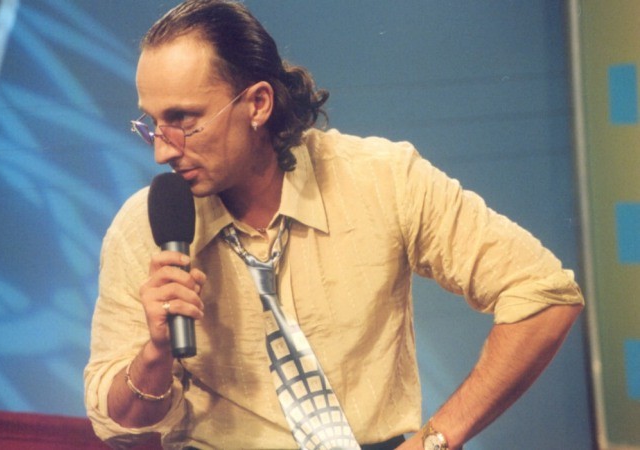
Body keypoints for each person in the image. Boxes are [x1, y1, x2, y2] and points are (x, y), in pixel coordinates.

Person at [84, 1, 584, 449]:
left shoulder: (383, 179)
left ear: (257, 104)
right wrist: (156, 354)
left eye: (184, 120)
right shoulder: (143, 226)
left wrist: (436, 440)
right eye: (151, 123)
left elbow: (544, 293)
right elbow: (118, 427)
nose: (162, 150)